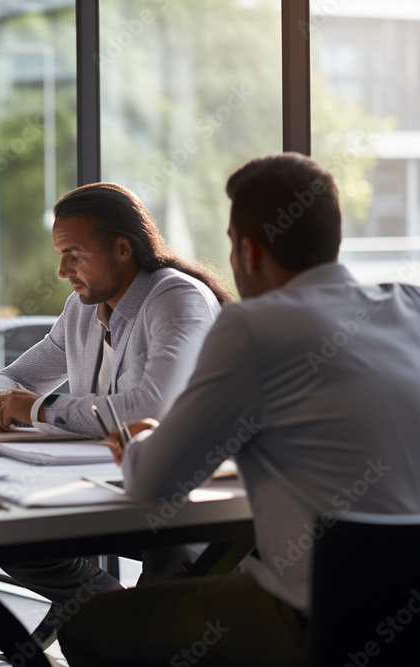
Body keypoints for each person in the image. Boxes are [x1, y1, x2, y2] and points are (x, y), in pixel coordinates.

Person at [58, 152, 420, 667]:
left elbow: (154, 484)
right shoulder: (410, 305)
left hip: (309, 620)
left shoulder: (254, 326)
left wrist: (135, 441)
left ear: (247, 252)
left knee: (90, 625)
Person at [0, 182, 232, 602]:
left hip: (179, 505)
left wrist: (38, 408)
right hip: (103, 493)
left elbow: (152, 408)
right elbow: (15, 375)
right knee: (17, 544)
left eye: (74, 254)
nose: (62, 271)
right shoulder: (80, 308)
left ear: (122, 249)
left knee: (166, 594)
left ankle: (119, 629)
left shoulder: (176, 297)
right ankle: (116, 619)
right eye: (60, 255)